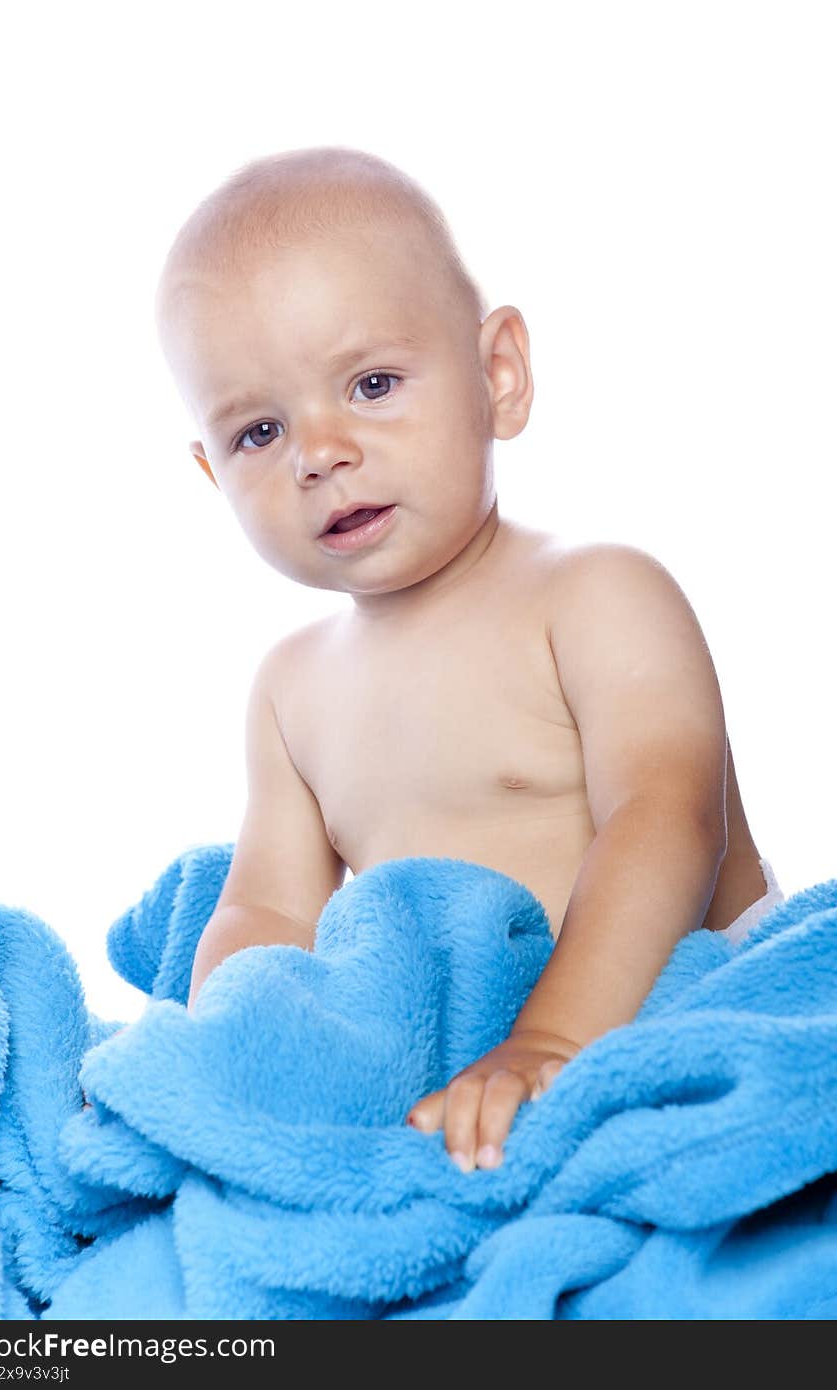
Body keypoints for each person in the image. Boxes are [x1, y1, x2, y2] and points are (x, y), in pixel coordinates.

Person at [152, 145, 784, 1175]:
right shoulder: (291, 687)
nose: (320, 451)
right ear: (210, 473)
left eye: (371, 383)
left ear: (498, 376)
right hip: (451, 1082)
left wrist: (550, 1041)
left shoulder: (593, 595)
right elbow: (267, 912)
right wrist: (228, 1055)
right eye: (259, 430)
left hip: (647, 1011)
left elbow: (669, 818)